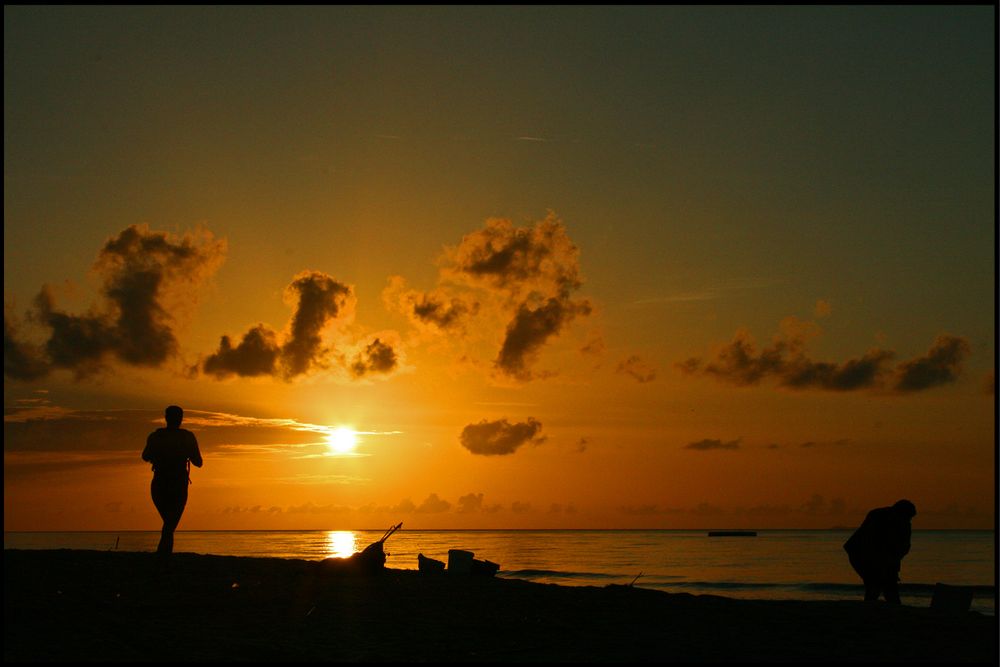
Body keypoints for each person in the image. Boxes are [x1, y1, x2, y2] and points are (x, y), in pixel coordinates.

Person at [142, 405, 203, 556]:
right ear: (180, 419)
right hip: (175, 483)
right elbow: (199, 462)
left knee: (169, 521)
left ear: (166, 417)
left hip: (162, 482)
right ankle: (164, 554)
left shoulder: (156, 436)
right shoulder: (186, 437)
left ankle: (163, 554)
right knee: (170, 521)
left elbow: (145, 456)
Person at [843, 499, 917, 604]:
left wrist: (893, 567)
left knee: (885, 584)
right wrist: (885, 566)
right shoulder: (878, 516)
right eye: (907, 517)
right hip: (859, 552)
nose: (908, 520)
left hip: (880, 555)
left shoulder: (904, 525)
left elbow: (902, 548)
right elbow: (870, 542)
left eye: (909, 518)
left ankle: (887, 603)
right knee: (875, 583)